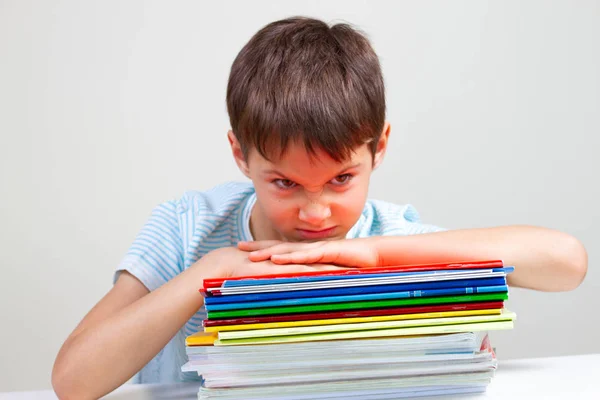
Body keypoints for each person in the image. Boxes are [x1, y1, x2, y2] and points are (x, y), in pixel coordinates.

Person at [51, 16, 587, 399]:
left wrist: (376, 254)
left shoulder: (391, 237)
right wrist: (210, 271)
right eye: (284, 182)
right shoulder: (188, 228)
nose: (316, 213)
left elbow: (565, 262)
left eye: (341, 179)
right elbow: (74, 381)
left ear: (379, 148)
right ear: (240, 153)